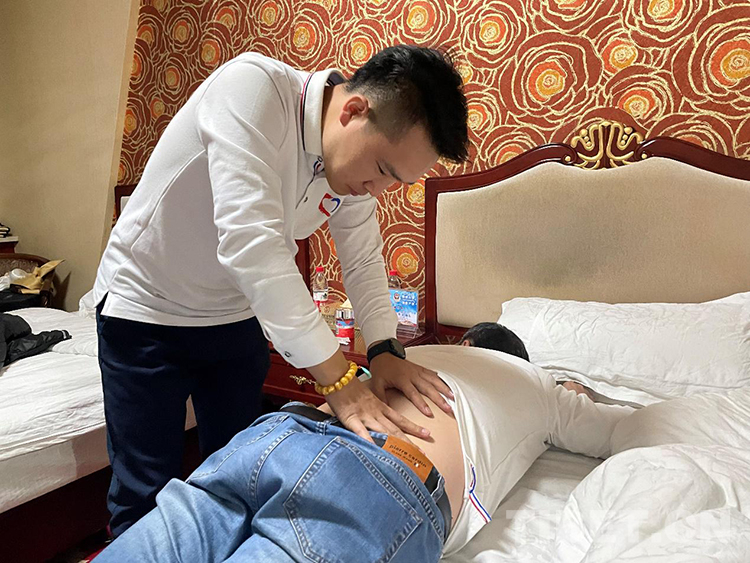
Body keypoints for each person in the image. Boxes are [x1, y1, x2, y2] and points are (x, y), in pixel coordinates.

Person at [93, 45, 470, 536]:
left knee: (238, 479)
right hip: (146, 309)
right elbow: (253, 246)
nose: (376, 190)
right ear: (354, 111)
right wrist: (339, 383)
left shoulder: (351, 170)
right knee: (144, 497)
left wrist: (384, 349)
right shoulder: (254, 89)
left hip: (233, 316)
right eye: (382, 170)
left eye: (392, 182)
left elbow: (362, 259)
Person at [94, 324, 634, 562]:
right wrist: (572, 392)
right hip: (376, 475)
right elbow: (618, 429)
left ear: (464, 341)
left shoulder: (414, 355)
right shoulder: (539, 385)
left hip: (277, 433)